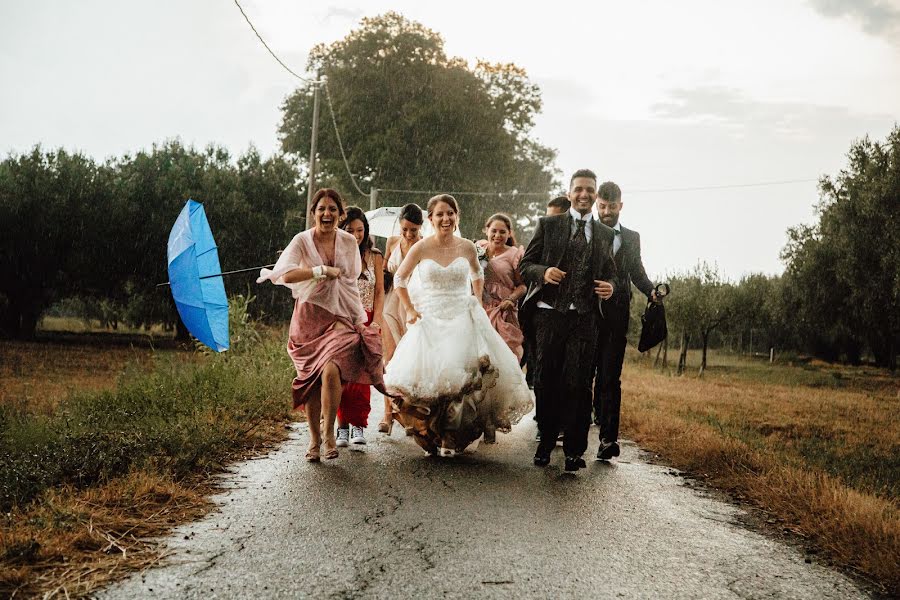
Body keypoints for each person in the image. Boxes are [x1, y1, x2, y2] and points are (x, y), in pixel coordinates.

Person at [383, 194, 532, 457]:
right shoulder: (421, 247)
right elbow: (400, 279)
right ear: (430, 219)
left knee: (461, 375)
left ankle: (451, 436)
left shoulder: (466, 247)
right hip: (429, 317)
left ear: (457, 216)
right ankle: (432, 433)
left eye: (450, 213)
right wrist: (409, 308)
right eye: (439, 214)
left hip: (460, 314)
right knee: (431, 378)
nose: (445, 218)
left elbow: (476, 273)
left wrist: (475, 301)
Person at [257, 189, 385, 462]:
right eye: (321, 209)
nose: (326, 214)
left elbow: (349, 284)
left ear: (340, 214)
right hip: (308, 318)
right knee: (312, 383)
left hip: (339, 316)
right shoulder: (301, 241)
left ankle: (329, 433)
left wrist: (360, 321)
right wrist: (320, 271)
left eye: (332, 209)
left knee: (330, 371)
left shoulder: (349, 242)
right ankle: (314, 439)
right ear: (313, 213)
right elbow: (285, 275)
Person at [520, 169, 617, 472]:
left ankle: (575, 450)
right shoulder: (549, 225)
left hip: (585, 317)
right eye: (579, 189)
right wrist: (544, 272)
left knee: (578, 384)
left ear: (596, 193)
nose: (584, 195)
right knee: (546, 381)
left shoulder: (604, 234)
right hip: (549, 314)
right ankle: (546, 441)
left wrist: (610, 286)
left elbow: (611, 271)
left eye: (590, 190)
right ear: (570, 191)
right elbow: (526, 264)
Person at [591, 181, 657, 460]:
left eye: (612, 206)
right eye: (602, 206)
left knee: (610, 377)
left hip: (617, 317)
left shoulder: (632, 237)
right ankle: (574, 432)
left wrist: (652, 291)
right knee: (582, 377)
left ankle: (608, 439)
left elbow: (636, 272)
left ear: (621, 205)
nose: (607, 211)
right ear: (596, 205)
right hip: (586, 315)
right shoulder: (586, 232)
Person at [335, 206, 385, 448]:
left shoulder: (375, 256)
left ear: (365, 231)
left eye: (359, 230)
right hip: (343, 319)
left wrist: (377, 320)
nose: (355, 235)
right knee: (343, 375)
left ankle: (359, 425)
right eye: (350, 230)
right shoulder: (336, 255)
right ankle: (341, 426)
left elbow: (379, 291)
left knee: (363, 376)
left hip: (368, 320)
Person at [476, 213, 527, 443]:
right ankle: (477, 417)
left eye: (502, 232)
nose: (497, 235)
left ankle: (494, 417)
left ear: (509, 234)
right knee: (479, 364)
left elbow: (523, 285)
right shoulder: (477, 249)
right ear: (486, 230)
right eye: (493, 231)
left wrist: (512, 299)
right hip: (481, 308)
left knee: (501, 364)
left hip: (503, 312)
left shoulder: (515, 254)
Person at [379, 203, 424, 434]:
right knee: (389, 358)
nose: (408, 234)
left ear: (421, 228)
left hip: (413, 305)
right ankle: (387, 412)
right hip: (390, 303)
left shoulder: (426, 246)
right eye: (404, 229)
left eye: (413, 230)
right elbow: (385, 267)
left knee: (412, 362)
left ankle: (409, 415)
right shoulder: (392, 242)